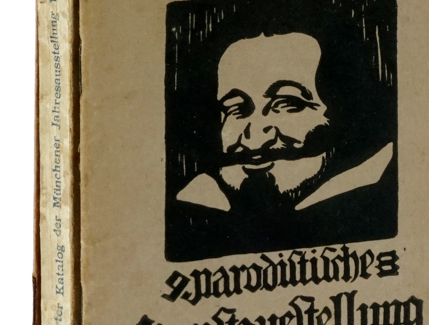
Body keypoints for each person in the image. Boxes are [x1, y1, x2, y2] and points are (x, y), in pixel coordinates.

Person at [169, 30, 396, 261]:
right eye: (236, 109)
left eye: (287, 105)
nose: (254, 137)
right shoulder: (191, 212)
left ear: (345, 113)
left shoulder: (380, 204)